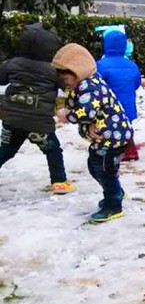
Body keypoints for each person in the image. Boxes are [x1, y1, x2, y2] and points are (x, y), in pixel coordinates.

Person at [53, 43, 133, 222]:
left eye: (66, 78)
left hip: (114, 137)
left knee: (104, 170)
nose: (64, 82)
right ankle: (115, 191)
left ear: (78, 71)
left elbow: (87, 112)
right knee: (96, 165)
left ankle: (114, 205)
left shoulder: (90, 86)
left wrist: (68, 116)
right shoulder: (80, 86)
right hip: (105, 138)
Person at [0, 23, 75, 194]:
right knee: (52, 149)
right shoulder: (54, 70)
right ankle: (59, 181)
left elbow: (2, 79)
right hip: (39, 123)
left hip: (12, 119)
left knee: (5, 150)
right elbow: (67, 86)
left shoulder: (13, 63)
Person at [97, 30, 143, 161]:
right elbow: (137, 82)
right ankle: (130, 150)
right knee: (126, 127)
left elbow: (97, 84)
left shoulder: (101, 65)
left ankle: (110, 151)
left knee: (109, 128)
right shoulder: (131, 65)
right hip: (127, 103)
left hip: (109, 105)